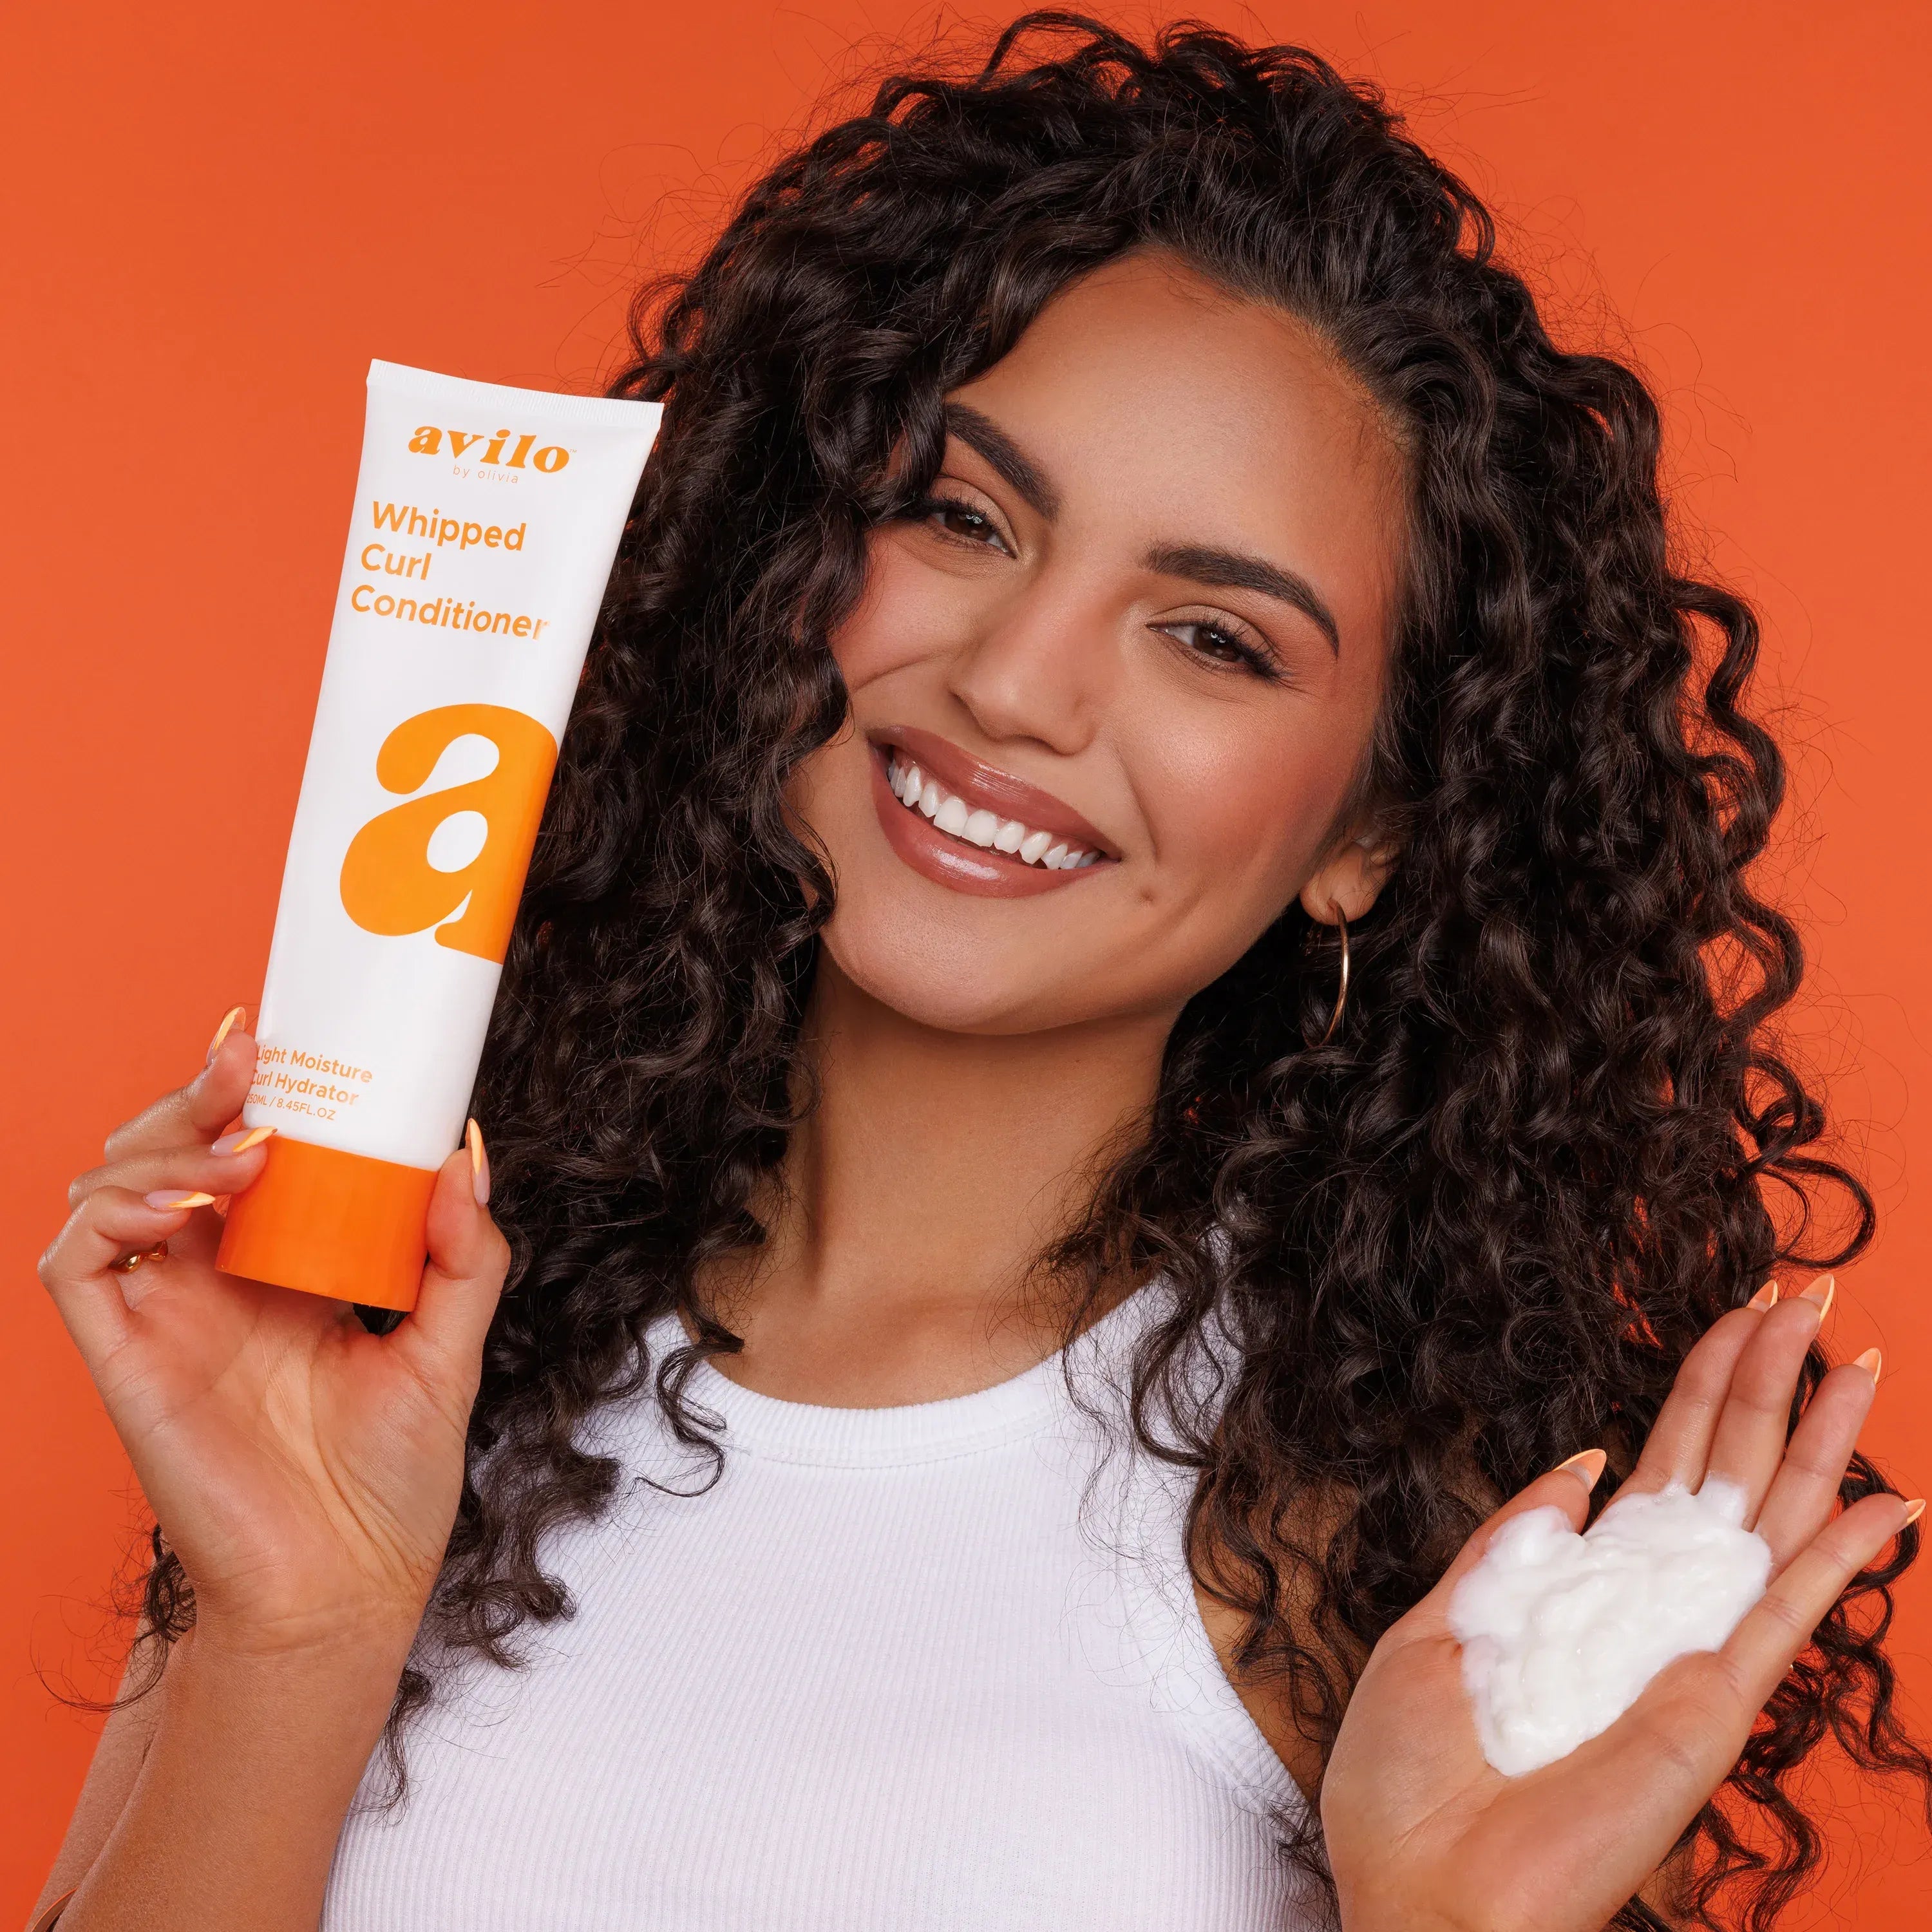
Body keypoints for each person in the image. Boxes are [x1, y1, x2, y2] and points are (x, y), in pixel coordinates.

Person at [29, 16, 1931, 1931]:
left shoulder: (1388, 1549)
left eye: (1214, 637)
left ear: (1374, 833)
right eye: (962, 515)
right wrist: (294, 1622)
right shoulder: (421, 1378)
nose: (1019, 685)